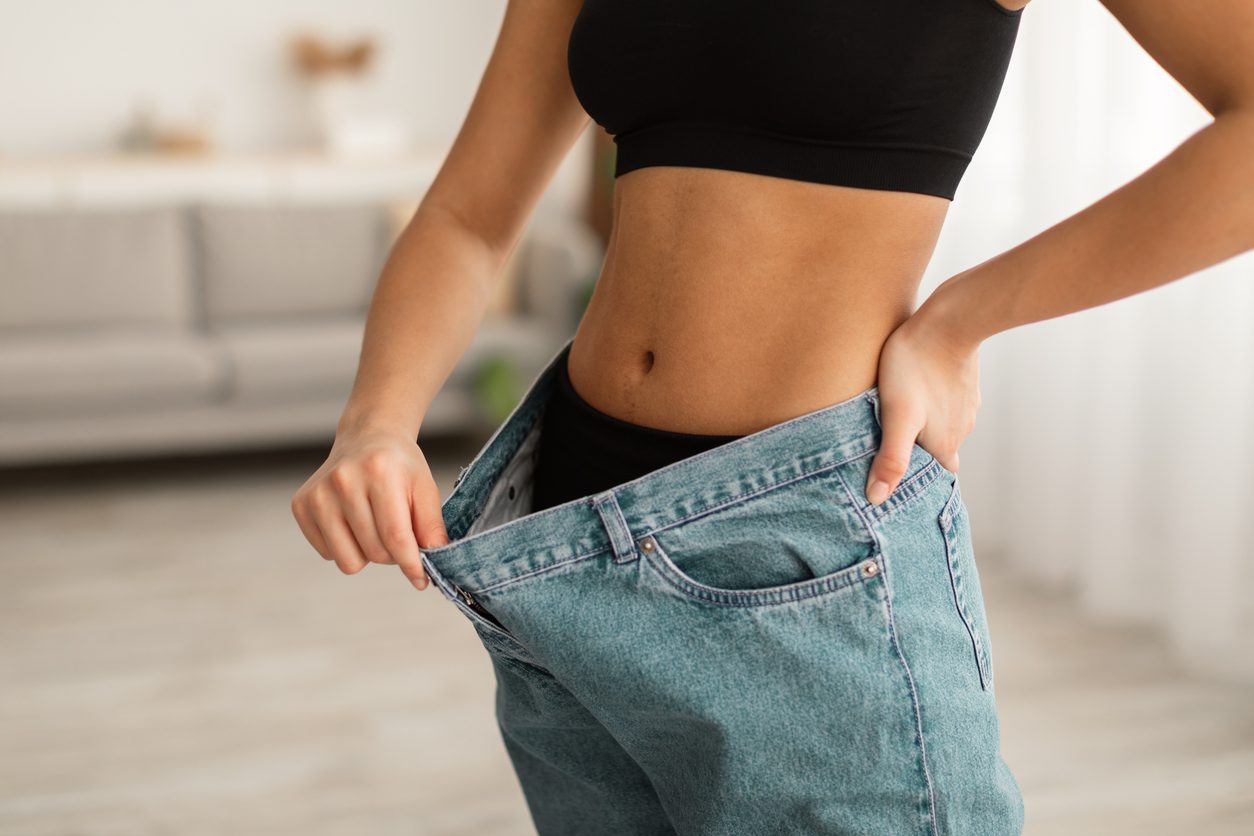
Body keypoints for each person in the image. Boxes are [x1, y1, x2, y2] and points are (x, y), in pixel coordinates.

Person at [291, 1, 1254, 833]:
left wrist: (962, 318)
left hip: (801, 546)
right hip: (562, 536)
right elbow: (469, 215)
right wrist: (378, 419)